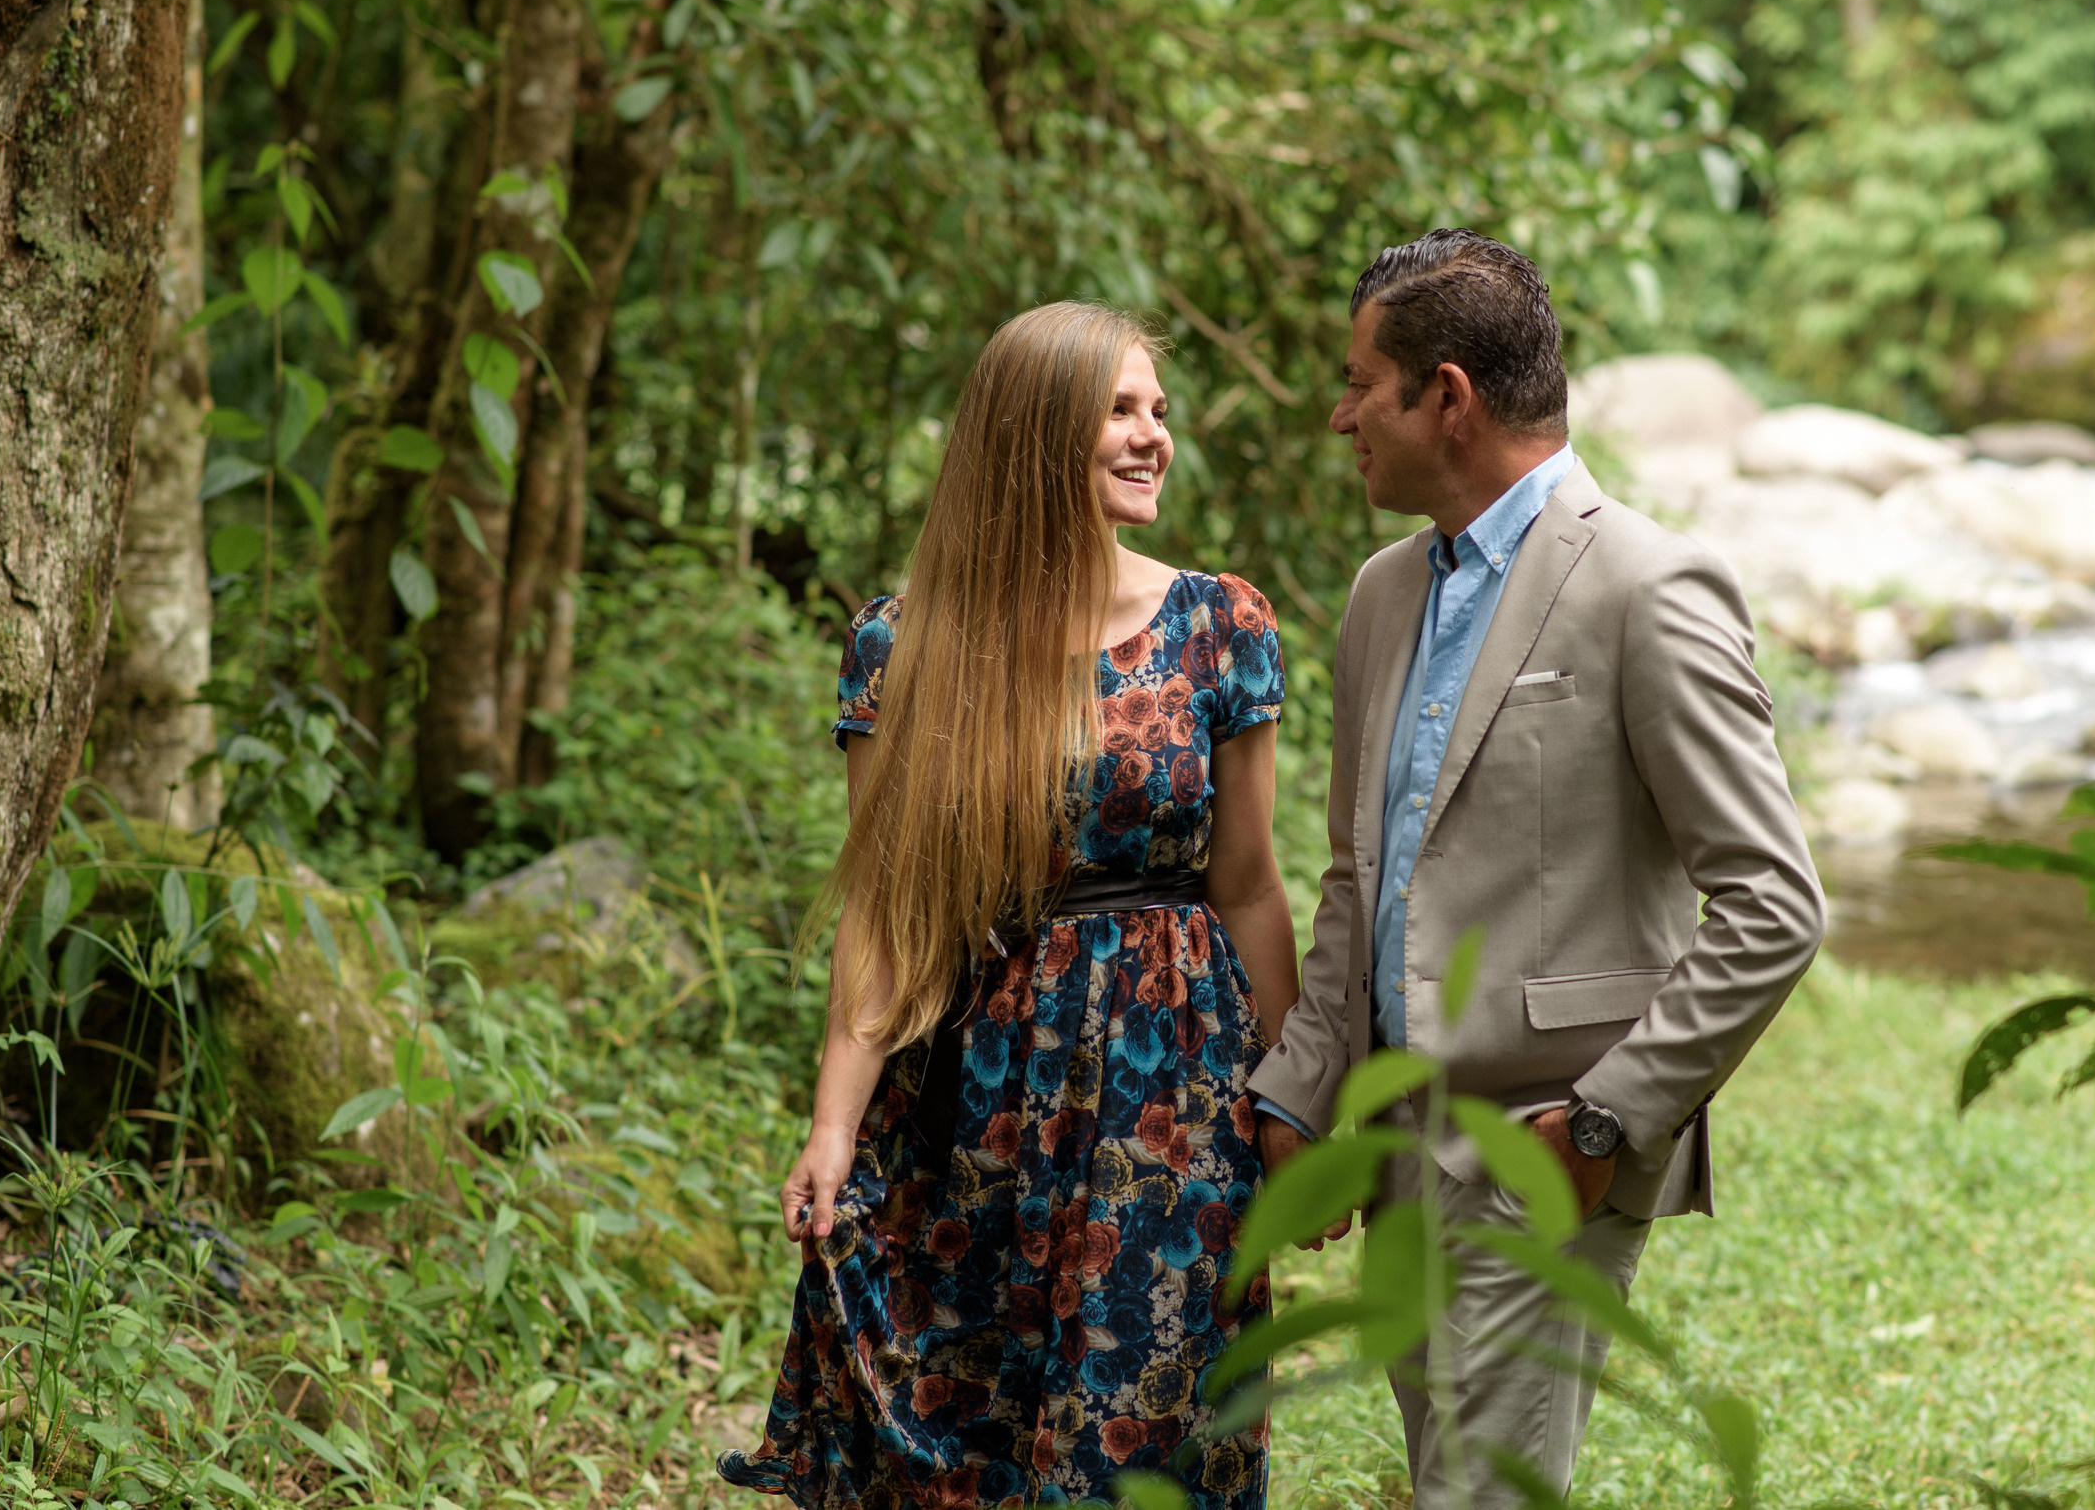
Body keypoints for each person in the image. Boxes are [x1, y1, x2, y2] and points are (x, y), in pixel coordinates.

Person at [1249, 231, 1826, 1509]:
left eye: (1359, 383)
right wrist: (1300, 1093)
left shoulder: (1648, 583)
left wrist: (1611, 1114)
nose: (1339, 414)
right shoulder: (1380, 593)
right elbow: (1357, 874)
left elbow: (1775, 902)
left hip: (1544, 1144)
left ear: (1444, 396)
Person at [718, 302, 1299, 1510]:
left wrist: (1289, 1105)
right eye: (1121, 409)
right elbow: (885, 909)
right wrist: (833, 1122)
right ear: (1037, 434)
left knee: (1149, 1421)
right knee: (973, 1418)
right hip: (978, 1095)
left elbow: (1248, 884)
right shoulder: (906, 642)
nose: (1153, 437)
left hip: (1171, 1095)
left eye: (1160, 411)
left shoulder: (1217, 623)